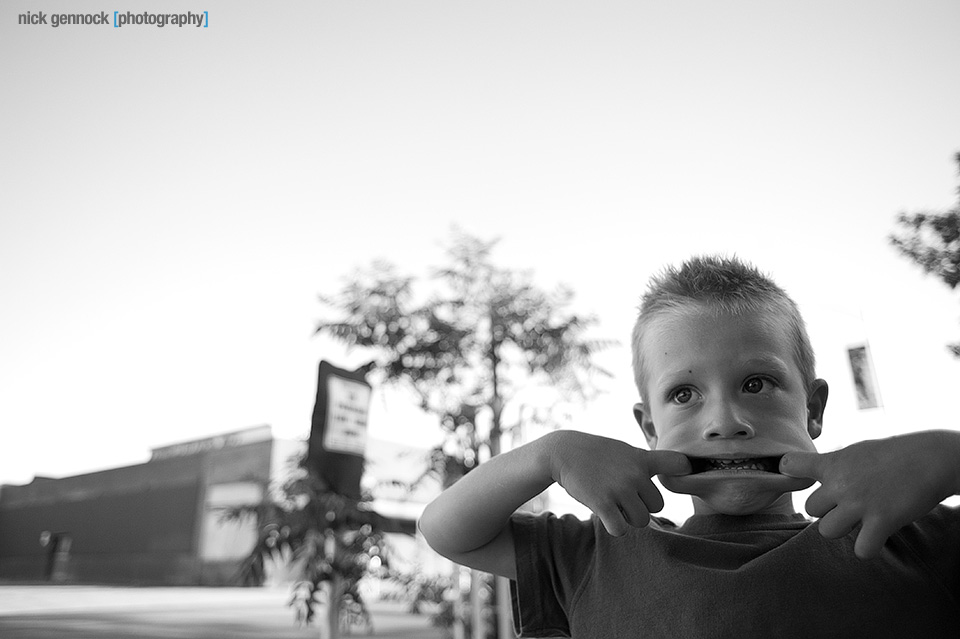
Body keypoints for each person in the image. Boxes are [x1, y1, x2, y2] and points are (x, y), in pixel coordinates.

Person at [418, 255, 960, 638]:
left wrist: (947, 457)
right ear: (648, 429)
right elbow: (448, 531)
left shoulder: (912, 539)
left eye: (756, 384)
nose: (726, 422)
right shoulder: (598, 553)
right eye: (684, 394)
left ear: (813, 410)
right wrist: (549, 454)